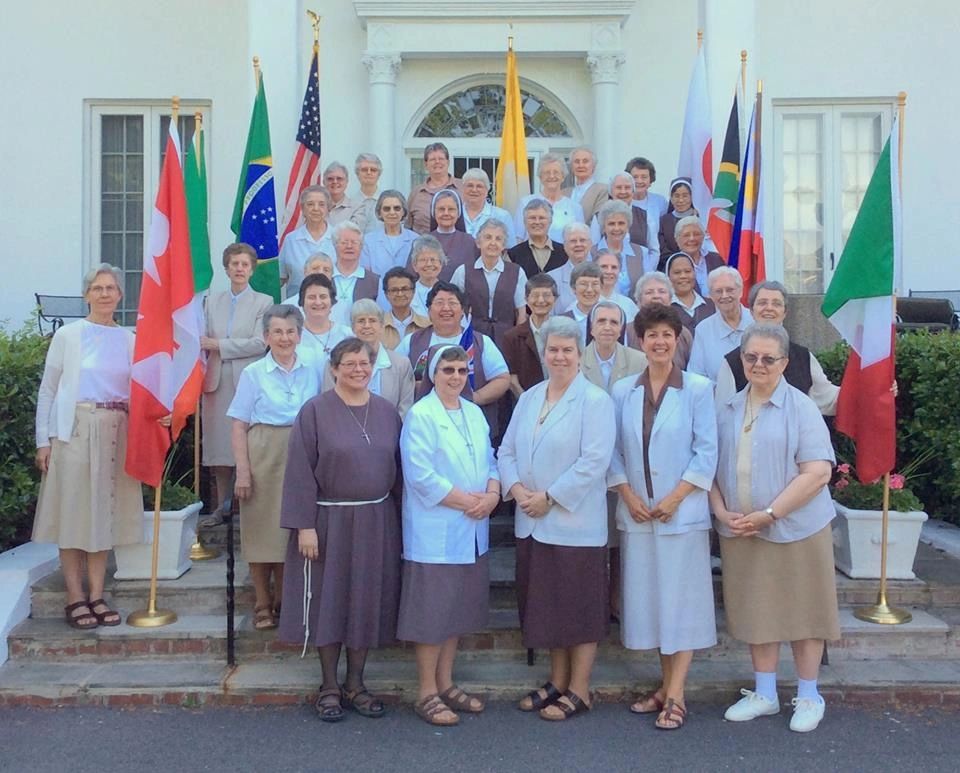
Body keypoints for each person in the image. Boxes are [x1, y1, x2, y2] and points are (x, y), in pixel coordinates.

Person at [709, 324, 839, 733]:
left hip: (796, 528)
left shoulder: (801, 408)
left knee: (805, 613)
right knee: (757, 611)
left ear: (784, 363)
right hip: (742, 530)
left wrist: (771, 512)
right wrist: (720, 511)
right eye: (751, 357)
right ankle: (764, 693)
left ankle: (809, 694)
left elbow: (818, 472)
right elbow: (708, 470)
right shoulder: (727, 409)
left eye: (768, 358)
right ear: (742, 359)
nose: (759, 365)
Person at [278, 337, 403, 722]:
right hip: (327, 521)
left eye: (364, 363)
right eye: (349, 364)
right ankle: (329, 685)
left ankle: (357, 684)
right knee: (329, 602)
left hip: (375, 520)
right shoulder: (315, 412)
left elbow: (400, 472)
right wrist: (304, 526)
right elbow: (299, 471)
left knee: (364, 601)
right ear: (333, 369)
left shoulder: (386, 412)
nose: (358, 370)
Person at [499, 316, 615, 721]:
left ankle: (580, 689)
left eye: (568, 350)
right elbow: (507, 451)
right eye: (553, 350)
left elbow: (594, 462)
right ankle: (557, 680)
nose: (560, 356)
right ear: (544, 353)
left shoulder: (595, 401)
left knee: (578, 607)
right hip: (531, 519)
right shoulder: (530, 397)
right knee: (548, 605)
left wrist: (550, 497)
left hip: (573, 522)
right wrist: (516, 491)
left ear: (579, 354)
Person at [608, 303, 718, 730]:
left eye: (666, 335)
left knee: (681, 605)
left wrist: (674, 498)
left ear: (677, 340)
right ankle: (664, 685)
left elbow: (707, 451)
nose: (658, 342)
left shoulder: (697, 389)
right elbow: (612, 450)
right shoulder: (622, 391)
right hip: (638, 513)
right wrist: (627, 492)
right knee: (655, 604)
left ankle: (675, 695)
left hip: (681, 514)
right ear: (640, 341)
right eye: (651, 335)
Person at [33, 263, 143, 629]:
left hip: (117, 429)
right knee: (74, 514)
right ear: (86, 295)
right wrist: (43, 441)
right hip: (75, 430)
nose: (105, 294)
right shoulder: (69, 335)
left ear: (120, 295)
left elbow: (140, 390)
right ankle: (74, 597)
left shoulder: (130, 339)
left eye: (111, 288)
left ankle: (97, 594)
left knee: (103, 516)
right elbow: (49, 390)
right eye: (97, 288)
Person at [397, 346, 500, 726]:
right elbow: (421, 475)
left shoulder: (473, 412)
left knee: (455, 610)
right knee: (432, 615)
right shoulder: (421, 415)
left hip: (472, 527)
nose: (456, 377)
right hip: (436, 530)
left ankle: (446, 682)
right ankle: (426, 691)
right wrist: (468, 503)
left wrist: (491, 496)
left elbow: (491, 459)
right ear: (433, 374)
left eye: (462, 370)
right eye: (448, 370)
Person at [228, 305, 319, 631]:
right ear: (266, 336)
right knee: (260, 530)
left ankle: (285, 599)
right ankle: (263, 602)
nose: (284, 338)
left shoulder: (315, 367)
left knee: (289, 531)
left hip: (302, 451)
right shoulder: (254, 373)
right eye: (277, 332)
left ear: (300, 334)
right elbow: (239, 424)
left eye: (290, 331)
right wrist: (243, 470)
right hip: (264, 451)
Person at [581, 300, 646, 623]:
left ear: (622, 328)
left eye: (614, 322)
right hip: (583, 463)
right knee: (593, 538)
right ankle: (593, 602)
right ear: (591, 327)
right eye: (601, 321)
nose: (607, 327)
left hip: (626, 460)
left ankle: (618, 601)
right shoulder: (574, 360)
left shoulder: (639, 361)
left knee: (621, 539)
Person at [201, 243, 272, 525]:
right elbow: (200, 338)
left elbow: (258, 343)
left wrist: (218, 345)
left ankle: (246, 506)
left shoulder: (263, 302)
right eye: (234, 264)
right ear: (226, 268)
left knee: (247, 442)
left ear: (252, 269)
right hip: (216, 379)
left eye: (244, 264)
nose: (239, 269)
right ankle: (222, 506)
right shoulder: (211, 301)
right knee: (219, 444)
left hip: (247, 378)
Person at [396, 282, 511, 434]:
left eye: (452, 303)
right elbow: (396, 376)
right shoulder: (411, 341)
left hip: (472, 423)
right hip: (425, 424)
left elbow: (502, 379)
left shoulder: (480, 342)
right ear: (429, 311)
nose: (446, 308)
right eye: (439, 303)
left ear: (463, 311)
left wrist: (475, 398)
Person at [715, 281, 840, 415]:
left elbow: (828, 399)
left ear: (785, 312)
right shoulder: (732, 362)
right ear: (751, 311)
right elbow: (722, 413)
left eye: (776, 304)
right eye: (762, 303)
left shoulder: (803, 357)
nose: (769, 308)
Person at [324, 299, 415, 417]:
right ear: (352, 327)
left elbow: (405, 409)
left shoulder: (401, 364)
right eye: (361, 321)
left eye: (372, 321)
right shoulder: (335, 361)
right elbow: (329, 404)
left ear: (382, 326)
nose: (367, 326)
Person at [451, 218, 527, 344]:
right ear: (478, 242)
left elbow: (521, 313)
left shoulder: (517, 272)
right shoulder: (463, 271)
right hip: (472, 337)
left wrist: (518, 341)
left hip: (506, 338)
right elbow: (453, 305)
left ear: (503, 245)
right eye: (488, 237)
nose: (493, 243)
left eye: (498, 239)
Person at [687, 267, 754, 382]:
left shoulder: (757, 323)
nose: (724, 295)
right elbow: (697, 377)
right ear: (711, 296)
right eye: (718, 291)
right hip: (717, 398)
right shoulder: (703, 330)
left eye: (730, 290)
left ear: (741, 291)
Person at [501, 274, 559, 396]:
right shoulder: (513, 337)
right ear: (526, 300)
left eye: (546, 295)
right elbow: (512, 378)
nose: (541, 300)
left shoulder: (564, 332)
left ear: (555, 299)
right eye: (535, 295)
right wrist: (527, 400)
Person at [589, 173, 660, 267]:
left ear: (633, 191)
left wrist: (645, 271)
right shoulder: (599, 216)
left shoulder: (645, 216)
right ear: (611, 192)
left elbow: (654, 251)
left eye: (627, 187)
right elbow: (593, 248)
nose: (623, 191)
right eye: (619, 187)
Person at [279, 185, 334, 302]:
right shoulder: (291, 240)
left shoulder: (338, 238)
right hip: (296, 307)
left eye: (321, 204)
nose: (316, 208)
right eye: (310, 204)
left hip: (329, 307)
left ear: (328, 208)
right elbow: (280, 278)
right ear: (303, 209)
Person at [515, 154, 585, 243]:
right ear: (540, 177)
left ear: (563, 176)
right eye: (547, 173)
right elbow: (518, 238)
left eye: (556, 172)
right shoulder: (525, 203)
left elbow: (582, 239)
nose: (551, 176)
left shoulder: (575, 208)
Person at [633, 271, 693, 369]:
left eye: (662, 291)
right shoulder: (627, 332)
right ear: (639, 301)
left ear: (670, 299)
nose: (656, 296)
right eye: (649, 292)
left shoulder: (683, 334)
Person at [593, 199, 653, 296]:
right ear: (603, 227)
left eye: (621, 223)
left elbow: (648, 286)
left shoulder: (641, 252)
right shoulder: (591, 253)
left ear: (628, 226)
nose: (617, 228)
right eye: (611, 224)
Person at [657, 216, 724, 295]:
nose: (692, 239)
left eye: (696, 234)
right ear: (677, 239)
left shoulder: (717, 259)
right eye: (686, 235)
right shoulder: (672, 264)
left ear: (703, 237)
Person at [296, 274, 352, 367]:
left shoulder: (347, 335)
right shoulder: (294, 336)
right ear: (302, 301)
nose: (318, 302)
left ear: (331, 301)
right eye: (312, 297)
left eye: (323, 297)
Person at [408, 142, 464, 234]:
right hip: (423, 246)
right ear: (426, 164)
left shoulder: (463, 188)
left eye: (441, 158)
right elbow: (408, 226)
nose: (437, 162)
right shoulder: (416, 193)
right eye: (433, 159)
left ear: (448, 162)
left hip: (457, 245)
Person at [360, 190, 418, 277]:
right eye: (387, 209)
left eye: (397, 208)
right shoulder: (368, 241)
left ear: (403, 212)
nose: (392, 212)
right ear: (380, 213)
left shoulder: (416, 240)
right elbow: (367, 275)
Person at [507, 199, 568, 277]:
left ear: (550, 221)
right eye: (532, 218)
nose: (537, 222)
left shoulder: (565, 252)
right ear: (524, 222)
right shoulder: (513, 255)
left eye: (542, 218)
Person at [461, 168, 516, 245]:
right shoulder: (455, 215)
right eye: (470, 185)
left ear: (487, 191)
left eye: (479, 186)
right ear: (463, 189)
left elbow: (510, 248)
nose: (474, 190)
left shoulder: (502, 216)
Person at [429, 189, 478, 276]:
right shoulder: (423, 241)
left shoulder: (470, 241)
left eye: (451, 209)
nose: (446, 213)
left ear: (458, 212)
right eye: (441, 209)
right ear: (433, 212)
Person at [331, 221, 380, 308]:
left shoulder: (374, 281)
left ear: (361, 246)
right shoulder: (324, 277)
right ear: (335, 245)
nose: (349, 246)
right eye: (344, 242)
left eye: (354, 242)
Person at [547, 222, 593, 312]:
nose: (578, 244)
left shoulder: (603, 274)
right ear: (564, 246)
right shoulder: (551, 278)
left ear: (590, 244)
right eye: (573, 241)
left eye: (583, 240)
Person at [381, 267, 430, 349]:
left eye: (405, 289)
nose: (400, 294)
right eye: (394, 290)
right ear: (386, 294)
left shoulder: (427, 326)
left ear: (413, 292)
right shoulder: (378, 327)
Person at [666, 252, 716, 333]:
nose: (683, 276)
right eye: (677, 272)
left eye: (688, 271)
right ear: (668, 276)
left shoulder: (711, 305)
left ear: (695, 273)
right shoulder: (664, 308)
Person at [563, 146, 609, 223]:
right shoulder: (564, 193)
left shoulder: (602, 190)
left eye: (585, 161)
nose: (581, 165)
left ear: (593, 166)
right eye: (577, 161)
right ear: (571, 166)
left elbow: (599, 221)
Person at [561, 262, 603, 345]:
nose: (589, 290)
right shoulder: (561, 322)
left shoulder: (611, 320)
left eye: (595, 284)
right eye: (583, 284)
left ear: (601, 287)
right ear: (573, 288)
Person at [596, 249, 640, 322]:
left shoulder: (628, 305)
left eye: (614, 267)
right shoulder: (585, 303)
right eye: (604, 266)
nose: (609, 271)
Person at [657, 178, 698, 258]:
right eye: (676, 196)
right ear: (671, 198)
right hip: (671, 265)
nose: (681, 200)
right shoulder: (664, 221)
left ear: (692, 197)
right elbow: (662, 248)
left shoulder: (699, 219)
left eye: (685, 196)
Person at [408, 235, 448, 318]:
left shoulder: (451, 292)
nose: (429, 264)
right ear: (414, 266)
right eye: (423, 260)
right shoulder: (408, 293)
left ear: (441, 264)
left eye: (433, 260)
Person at [626, 156, 669, 221]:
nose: (639, 181)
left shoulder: (660, 201)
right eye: (635, 177)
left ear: (651, 179)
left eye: (644, 177)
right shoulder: (622, 202)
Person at [323, 161, 362, 227]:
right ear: (324, 182)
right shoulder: (316, 207)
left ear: (347, 182)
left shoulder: (357, 208)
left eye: (339, 178)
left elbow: (353, 233)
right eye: (330, 179)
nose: (335, 182)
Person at [354, 152, 383, 233]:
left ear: (379, 174)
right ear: (357, 173)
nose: (369, 172)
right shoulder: (350, 203)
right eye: (364, 170)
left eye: (373, 170)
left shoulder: (388, 202)